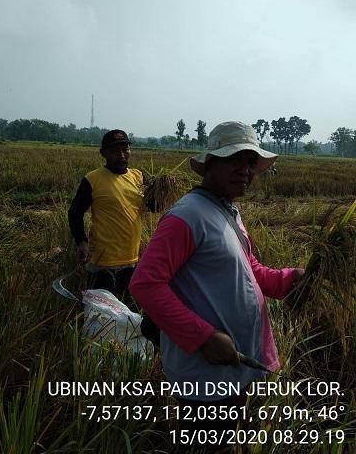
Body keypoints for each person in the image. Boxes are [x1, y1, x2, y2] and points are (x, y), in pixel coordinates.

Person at [129, 121, 305, 448]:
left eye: (252, 162)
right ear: (210, 163)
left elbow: (249, 269)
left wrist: (287, 280)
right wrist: (204, 337)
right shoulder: (187, 216)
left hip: (232, 368)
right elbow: (145, 284)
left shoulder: (227, 212)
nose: (246, 170)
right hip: (205, 376)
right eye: (235, 159)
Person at [68, 129, 144, 303]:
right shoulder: (93, 179)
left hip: (132, 261)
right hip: (103, 263)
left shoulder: (138, 177)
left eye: (125, 150)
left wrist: (162, 189)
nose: (122, 155)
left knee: (129, 316)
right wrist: (81, 241)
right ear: (103, 153)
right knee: (101, 318)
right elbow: (75, 212)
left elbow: (154, 206)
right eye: (115, 151)